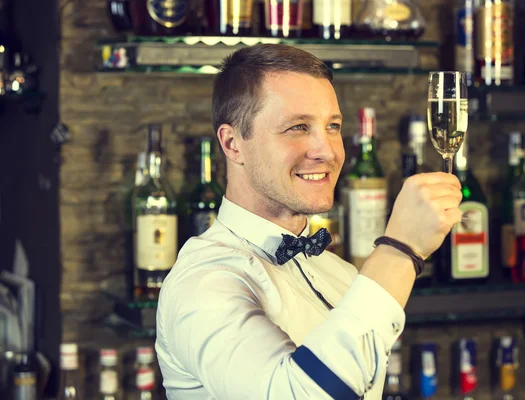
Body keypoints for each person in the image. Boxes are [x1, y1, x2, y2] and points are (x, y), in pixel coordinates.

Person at [155, 44, 463, 400]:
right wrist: (400, 250)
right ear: (232, 143)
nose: (327, 150)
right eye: (298, 127)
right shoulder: (204, 281)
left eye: (333, 126)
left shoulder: (341, 273)